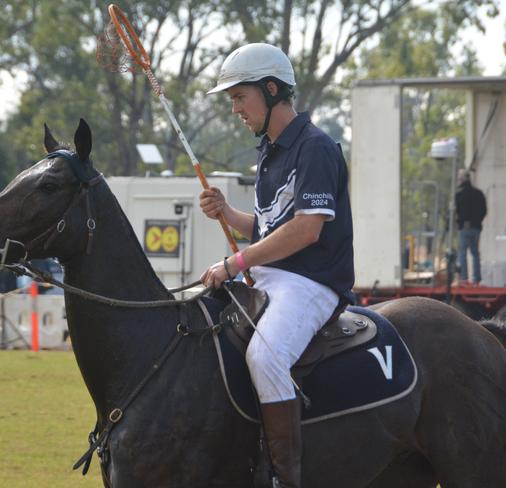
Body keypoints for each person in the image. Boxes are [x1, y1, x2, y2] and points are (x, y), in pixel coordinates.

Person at [199, 43, 354, 487]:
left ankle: (283, 478)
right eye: (231, 100)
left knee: (265, 356)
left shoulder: (317, 148)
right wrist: (229, 215)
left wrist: (235, 262)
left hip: (312, 283)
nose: (235, 110)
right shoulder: (270, 151)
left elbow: (306, 231)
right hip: (272, 276)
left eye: (239, 97)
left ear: (271, 90)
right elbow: (271, 229)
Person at [455, 169, 487, 286]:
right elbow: (484, 210)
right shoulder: (479, 193)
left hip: (464, 227)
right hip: (476, 227)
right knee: (475, 253)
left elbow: (457, 212)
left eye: (459, 178)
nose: (458, 180)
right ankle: (476, 279)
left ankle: (464, 279)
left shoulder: (459, 194)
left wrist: (462, 222)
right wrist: (476, 222)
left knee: (463, 252)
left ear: (464, 178)